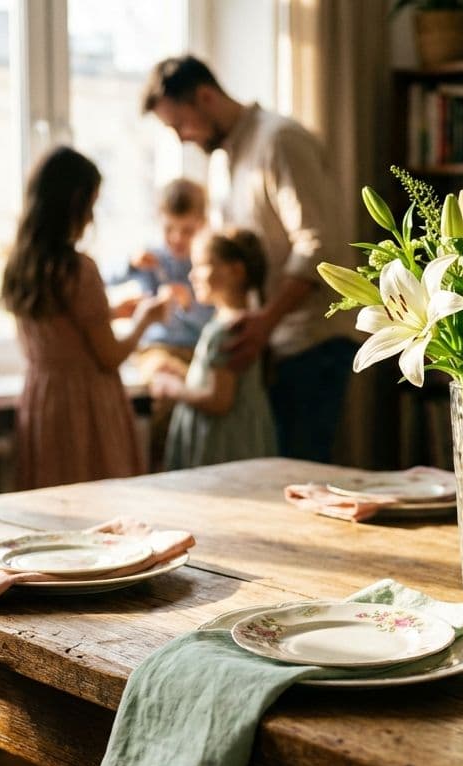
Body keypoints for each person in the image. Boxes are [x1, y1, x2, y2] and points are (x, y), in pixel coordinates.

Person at [141, 55, 356, 463]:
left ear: (205, 97)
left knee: (296, 480)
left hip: (310, 342)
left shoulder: (280, 142)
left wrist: (266, 321)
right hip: (267, 344)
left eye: (179, 124)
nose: (182, 138)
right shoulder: (224, 162)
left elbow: (320, 243)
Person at [2, 146, 170, 489]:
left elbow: (59, 328)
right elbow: (109, 356)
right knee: (97, 506)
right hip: (84, 407)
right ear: (75, 204)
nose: (92, 218)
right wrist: (144, 319)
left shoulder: (21, 266)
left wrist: (109, 312)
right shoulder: (78, 269)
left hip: (43, 399)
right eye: (91, 205)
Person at [109, 178, 214, 468]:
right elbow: (106, 278)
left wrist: (188, 305)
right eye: (170, 229)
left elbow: (214, 318)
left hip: (196, 348)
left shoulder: (206, 261)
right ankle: (165, 468)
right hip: (157, 348)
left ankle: (195, 465)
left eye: (187, 231)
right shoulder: (153, 257)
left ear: (203, 224)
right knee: (169, 386)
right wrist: (131, 263)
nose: (177, 239)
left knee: (204, 394)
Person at [155, 228, 278, 470]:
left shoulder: (228, 329)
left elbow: (219, 400)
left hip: (223, 444)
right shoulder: (234, 322)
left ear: (236, 271)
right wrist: (183, 375)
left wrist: (173, 388)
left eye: (201, 266)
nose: (192, 276)